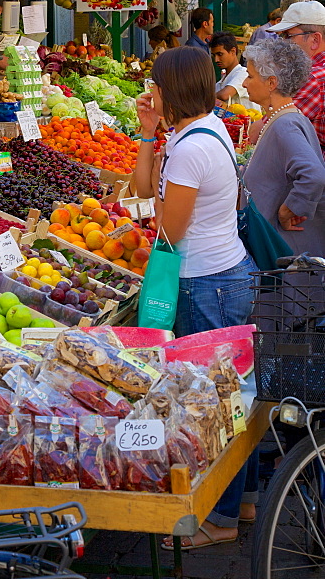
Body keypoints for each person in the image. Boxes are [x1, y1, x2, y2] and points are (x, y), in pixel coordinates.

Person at [134, 46, 258, 549]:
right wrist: (147, 133)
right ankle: (240, 503)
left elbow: (168, 226)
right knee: (234, 402)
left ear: (173, 88)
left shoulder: (191, 148)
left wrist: (155, 194)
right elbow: (144, 187)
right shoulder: (198, 132)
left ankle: (219, 519)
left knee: (214, 407)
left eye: (156, 85)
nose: (151, 91)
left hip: (210, 285)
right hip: (222, 276)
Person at [243, 40, 325, 254]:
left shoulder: (285, 124)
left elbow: (313, 174)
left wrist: (289, 210)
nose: (244, 83)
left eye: (250, 76)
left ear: (271, 83)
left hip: (286, 249)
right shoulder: (284, 118)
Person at [267, 0, 325, 157]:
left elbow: (270, 127)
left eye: (288, 36)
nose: (283, 43)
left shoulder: (314, 78)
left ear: (314, 40)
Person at [210, 31, 260, 111]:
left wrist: (205, 98)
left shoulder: (244, 73)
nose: (216, 60)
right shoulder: (220, 84)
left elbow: (225, 95)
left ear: (233, 51)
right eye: (214, 55)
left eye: (220, 54)